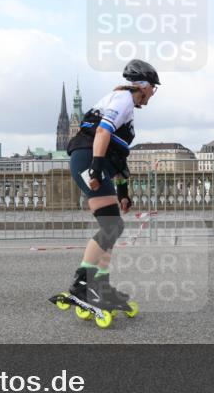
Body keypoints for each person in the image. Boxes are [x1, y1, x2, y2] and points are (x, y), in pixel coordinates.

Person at [57, 59, 159, 317]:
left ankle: (99, 284)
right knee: (112, 226)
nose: (153, 94)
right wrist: (95, 167)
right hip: (86, 158)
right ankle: (82, 284)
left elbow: (118, 157)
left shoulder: (127, 106)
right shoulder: (122, 99)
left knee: (112, 226)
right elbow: (102, 133)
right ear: (144, 86)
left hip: (95, 161)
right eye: (153, 88)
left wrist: (123, 192)